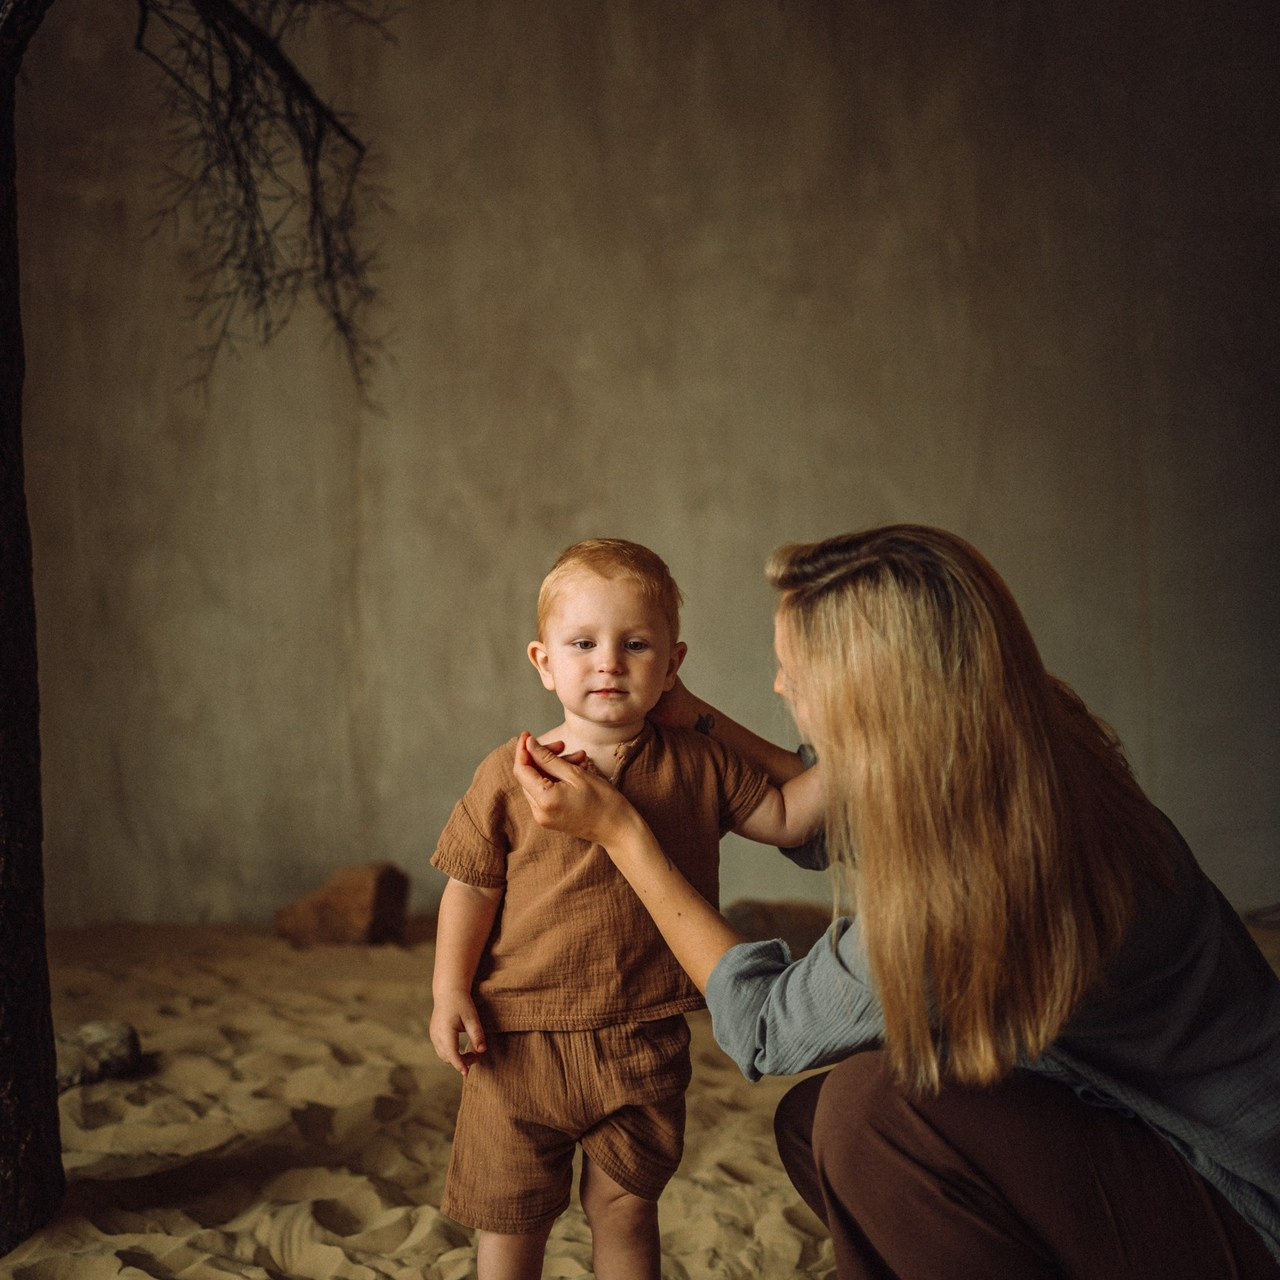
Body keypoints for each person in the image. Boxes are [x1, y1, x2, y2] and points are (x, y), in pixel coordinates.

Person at [514, 524, 1280, 1279]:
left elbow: (762, 1029)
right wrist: (700, 718)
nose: (779, 686)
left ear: (869, 695)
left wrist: (624, 837)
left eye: (795, 673)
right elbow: (830, 823)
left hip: (1240, 1196)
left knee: (868, 1115)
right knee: (813, 1126)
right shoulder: (1014, 726)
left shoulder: (973, 876)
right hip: (1134, 1115)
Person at [429, 537, 823, 1280]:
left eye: (635, 644)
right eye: (582, 643)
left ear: (672, 665)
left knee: (626, 1208)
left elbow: (790, 818)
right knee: (513, 1220)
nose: (608, 661)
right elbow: (472, 886)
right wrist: (449, 989)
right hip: (520, 1040)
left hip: (642, 1037)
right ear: (544, 662)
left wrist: (871, 747)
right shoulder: (512, 773)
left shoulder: (698, 764)